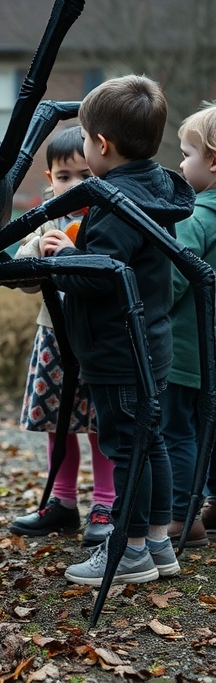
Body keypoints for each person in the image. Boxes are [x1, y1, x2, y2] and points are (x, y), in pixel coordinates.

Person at [40, 75, 195, 585]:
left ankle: (127, 552)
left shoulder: (112, 202)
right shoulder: (156, 188)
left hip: (117, 349)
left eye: (84, 139)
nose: (85, 147)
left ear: (102, 145)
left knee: (127, 447)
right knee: (152, 444)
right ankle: (156, 544)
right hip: (151, 343)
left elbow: (103, 274)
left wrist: (65, 258)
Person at [9, 125, 116, 547]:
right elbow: (20, 274)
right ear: (51, 181)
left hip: (97, 337)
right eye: (64, 176)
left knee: (99, 424)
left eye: (85, 176)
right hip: (55, 337)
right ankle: (62, 502)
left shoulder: (107, 218)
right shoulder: (47, 219)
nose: (75, 186)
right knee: (59, 423)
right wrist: (39, 251)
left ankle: (106, 502)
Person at [160, 104, 216, 548]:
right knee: (211, 430)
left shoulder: (195, 218)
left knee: (178, 431)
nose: (180, 164)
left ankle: (184, 515)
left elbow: (175, 276)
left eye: (186, 154)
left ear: (212, 161)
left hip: (185, 351)